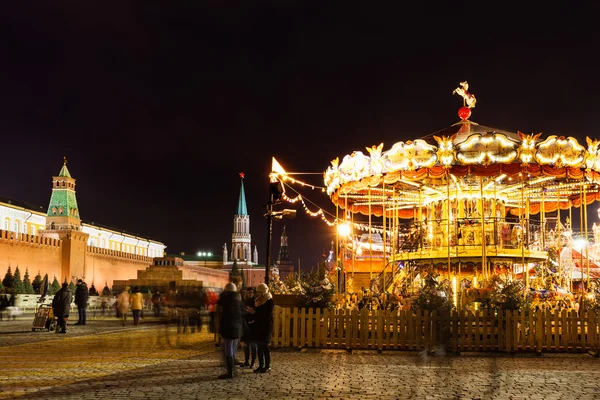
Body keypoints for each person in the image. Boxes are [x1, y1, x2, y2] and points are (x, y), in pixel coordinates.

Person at [217, 282, 243, 379]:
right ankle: (232, 371)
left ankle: (230, 372)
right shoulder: (238, 299)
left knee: (229, 350)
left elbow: (219, 304)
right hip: (237, 328)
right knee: (232, 349)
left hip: (228, 328)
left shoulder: (225, 298)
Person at [249, 283, 274, 373]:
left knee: (264, 346)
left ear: (263, 291)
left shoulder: (269, 300)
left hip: (266, 327)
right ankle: (261, 365)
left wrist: (255, 312)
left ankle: (267, 365)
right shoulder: (258, 300)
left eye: (259, 292)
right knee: (259, 346)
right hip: (258, 326)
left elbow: (267, 314)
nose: (257, 294)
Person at [241, 287, 257, 368]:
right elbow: (242, 311)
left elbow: (256, 312)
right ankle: (246, 361)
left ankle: (253, 362)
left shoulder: (256, 301)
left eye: (251, 292)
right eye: (248, 292)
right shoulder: (245, 301)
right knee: (246, 344)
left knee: (253, 345)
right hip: (246, 325)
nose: (249, 294)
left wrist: (252, 311)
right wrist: (247, 311)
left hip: (253, 325)